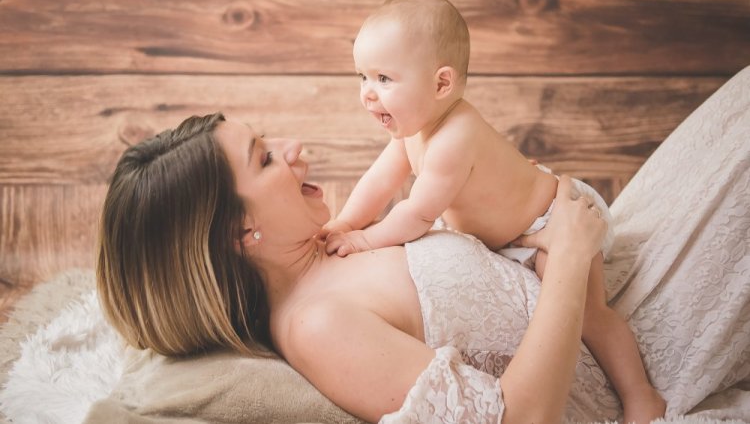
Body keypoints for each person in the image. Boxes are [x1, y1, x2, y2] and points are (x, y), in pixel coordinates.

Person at [96, 102, 750, 423]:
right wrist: (572, 257)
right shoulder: (319, 328)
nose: (295, 148)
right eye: (266, 158)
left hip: (616, 292)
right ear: (242, 231)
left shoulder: (331, 245)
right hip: (646, 353)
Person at [320, 0, 664, 423]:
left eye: (384, 79)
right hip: (512, 238)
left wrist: (363, 238)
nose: (368, 94)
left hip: (554, 218)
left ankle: (642, 396)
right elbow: (378, 181)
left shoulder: (453, 137)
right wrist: (346, 220)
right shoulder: (413, 130)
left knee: (590, 314)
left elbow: (418, 214)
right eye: (362, 77)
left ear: (441, 83)